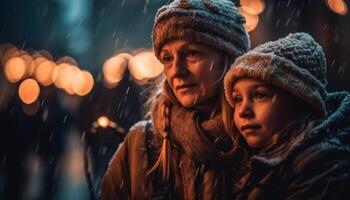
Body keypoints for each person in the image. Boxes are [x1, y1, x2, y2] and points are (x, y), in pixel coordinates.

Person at [100, 0, 250, 199]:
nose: (176, 71)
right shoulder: (141, 146)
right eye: (167, 58)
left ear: (230, 58)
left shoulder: (266, 140)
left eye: (191, 53)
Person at [223, 32, 350, 199]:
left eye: (260, 95)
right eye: (238, 99)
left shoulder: (319, 165)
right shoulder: (259, 157)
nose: (242, 111)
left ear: (299, 100)